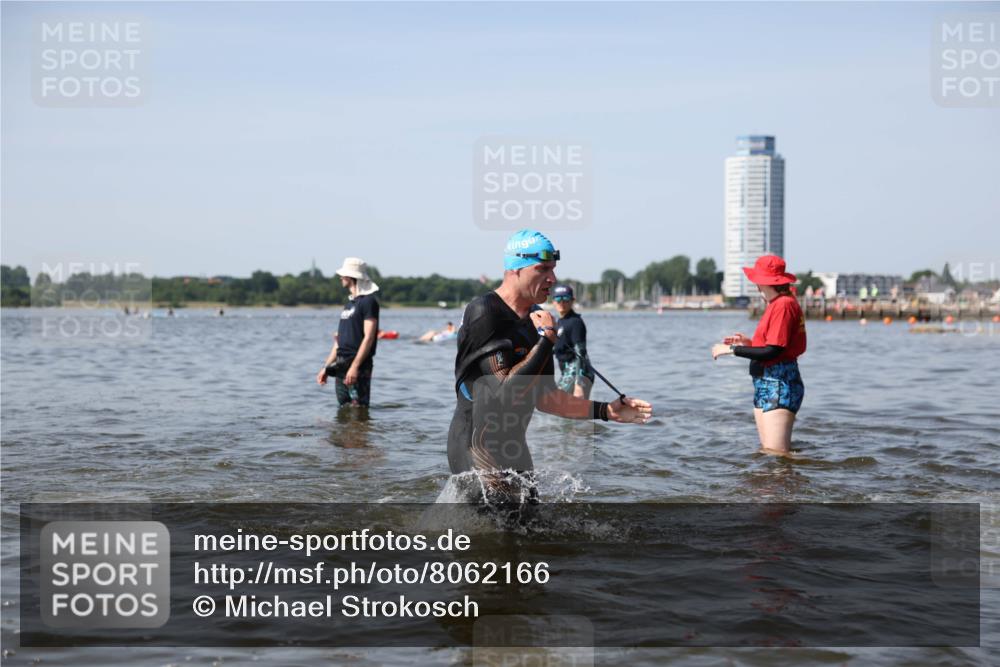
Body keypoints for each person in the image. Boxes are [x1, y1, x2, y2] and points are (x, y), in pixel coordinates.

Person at [448, 229, 652, 503]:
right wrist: (547, 340)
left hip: (515, 449)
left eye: (553, 270)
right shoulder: (486, 312)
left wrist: (607, 411)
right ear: (515, 270)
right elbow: (503, 390)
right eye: (542, 269)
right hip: (477, 448)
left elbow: (546, 398)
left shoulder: (536, 320)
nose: (552, 279)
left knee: (532, 532)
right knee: (496, 539)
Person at [712, 255, 806, 455]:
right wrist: (749, 344)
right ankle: (773, 486)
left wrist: (732, 350)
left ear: (763, 282)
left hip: (779, 384)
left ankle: (791, 484)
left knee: (777, 455)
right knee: (769, 453)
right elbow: (772, 345)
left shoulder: (783, 305)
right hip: (765, 383)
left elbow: (774, 350)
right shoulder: (775, 304)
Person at [316, 257, 380, 407]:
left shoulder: (368, 302)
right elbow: (339, 341)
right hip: (340, 364)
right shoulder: (349, 304)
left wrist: (355, 367)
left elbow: (369, 338)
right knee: (344, 408)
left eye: (343, 274)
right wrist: (326, 367)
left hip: (358, 365)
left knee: (358, 409)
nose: (340, 277)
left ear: (351, 277)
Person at [551, 284, 595, 398]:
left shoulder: (575, 322)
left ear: (572, 301)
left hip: (579, 372)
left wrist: (579, 384)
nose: (562, 302)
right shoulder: (559, 323)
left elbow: (581, 353)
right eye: (558, 299)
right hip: (567, 371)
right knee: (564, 411)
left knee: (559, 403)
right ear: (553, 302)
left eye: (565, 299)